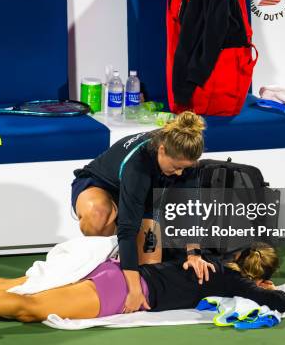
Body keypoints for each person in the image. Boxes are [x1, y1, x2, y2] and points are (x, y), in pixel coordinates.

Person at [0, 242, 285, 332]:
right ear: (256, 272)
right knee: (28, 306)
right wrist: (268, 289)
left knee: (10, 284)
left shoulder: (199, 255)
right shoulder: (235, 280)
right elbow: (274, 300)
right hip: (115, 293)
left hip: (104, 270)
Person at [71, 112, 215, 313]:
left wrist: (194, 254)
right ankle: (98, 264)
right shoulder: (139, 165)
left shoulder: (184, 161)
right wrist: (134, 289)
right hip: (101, 186)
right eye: (176, 167)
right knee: (98, 215)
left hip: (146, 196)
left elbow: (188, 209)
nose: (180, 173)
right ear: (162, 150)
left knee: (150, 268)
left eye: (185, 168)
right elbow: (128, 230)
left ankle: (122, 260)